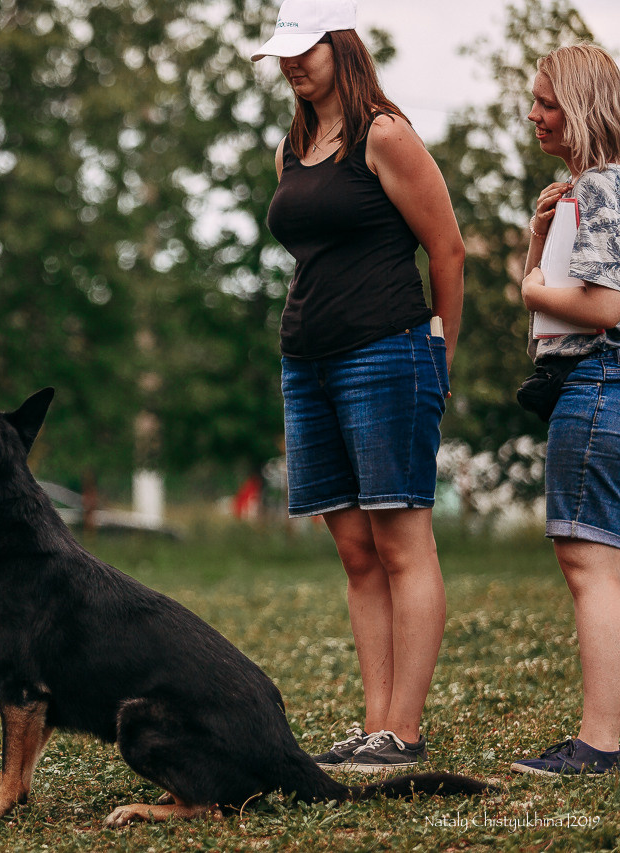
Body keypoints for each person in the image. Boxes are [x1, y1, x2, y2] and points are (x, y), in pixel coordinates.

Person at [251, 0, 465, 771]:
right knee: (355, 550)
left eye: (305, 49)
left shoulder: (387, 135)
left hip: (388, 351)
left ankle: (403, 731)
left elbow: (447, 248)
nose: (292, 63)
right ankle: (375, 724)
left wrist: (440, 355)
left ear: (341, 46)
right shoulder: (294, 147)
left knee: (401, 540)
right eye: (282, 52)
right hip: (306, 361)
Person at [511, 43, 620, 776]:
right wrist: (539, 234)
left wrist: (527, 286)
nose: (534, 114)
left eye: (546, 102)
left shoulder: (605, 187)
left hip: (597, 381)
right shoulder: (590, 189)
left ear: (580, 106)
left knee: (591, 564)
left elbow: (605, 306)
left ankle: (601, 741)